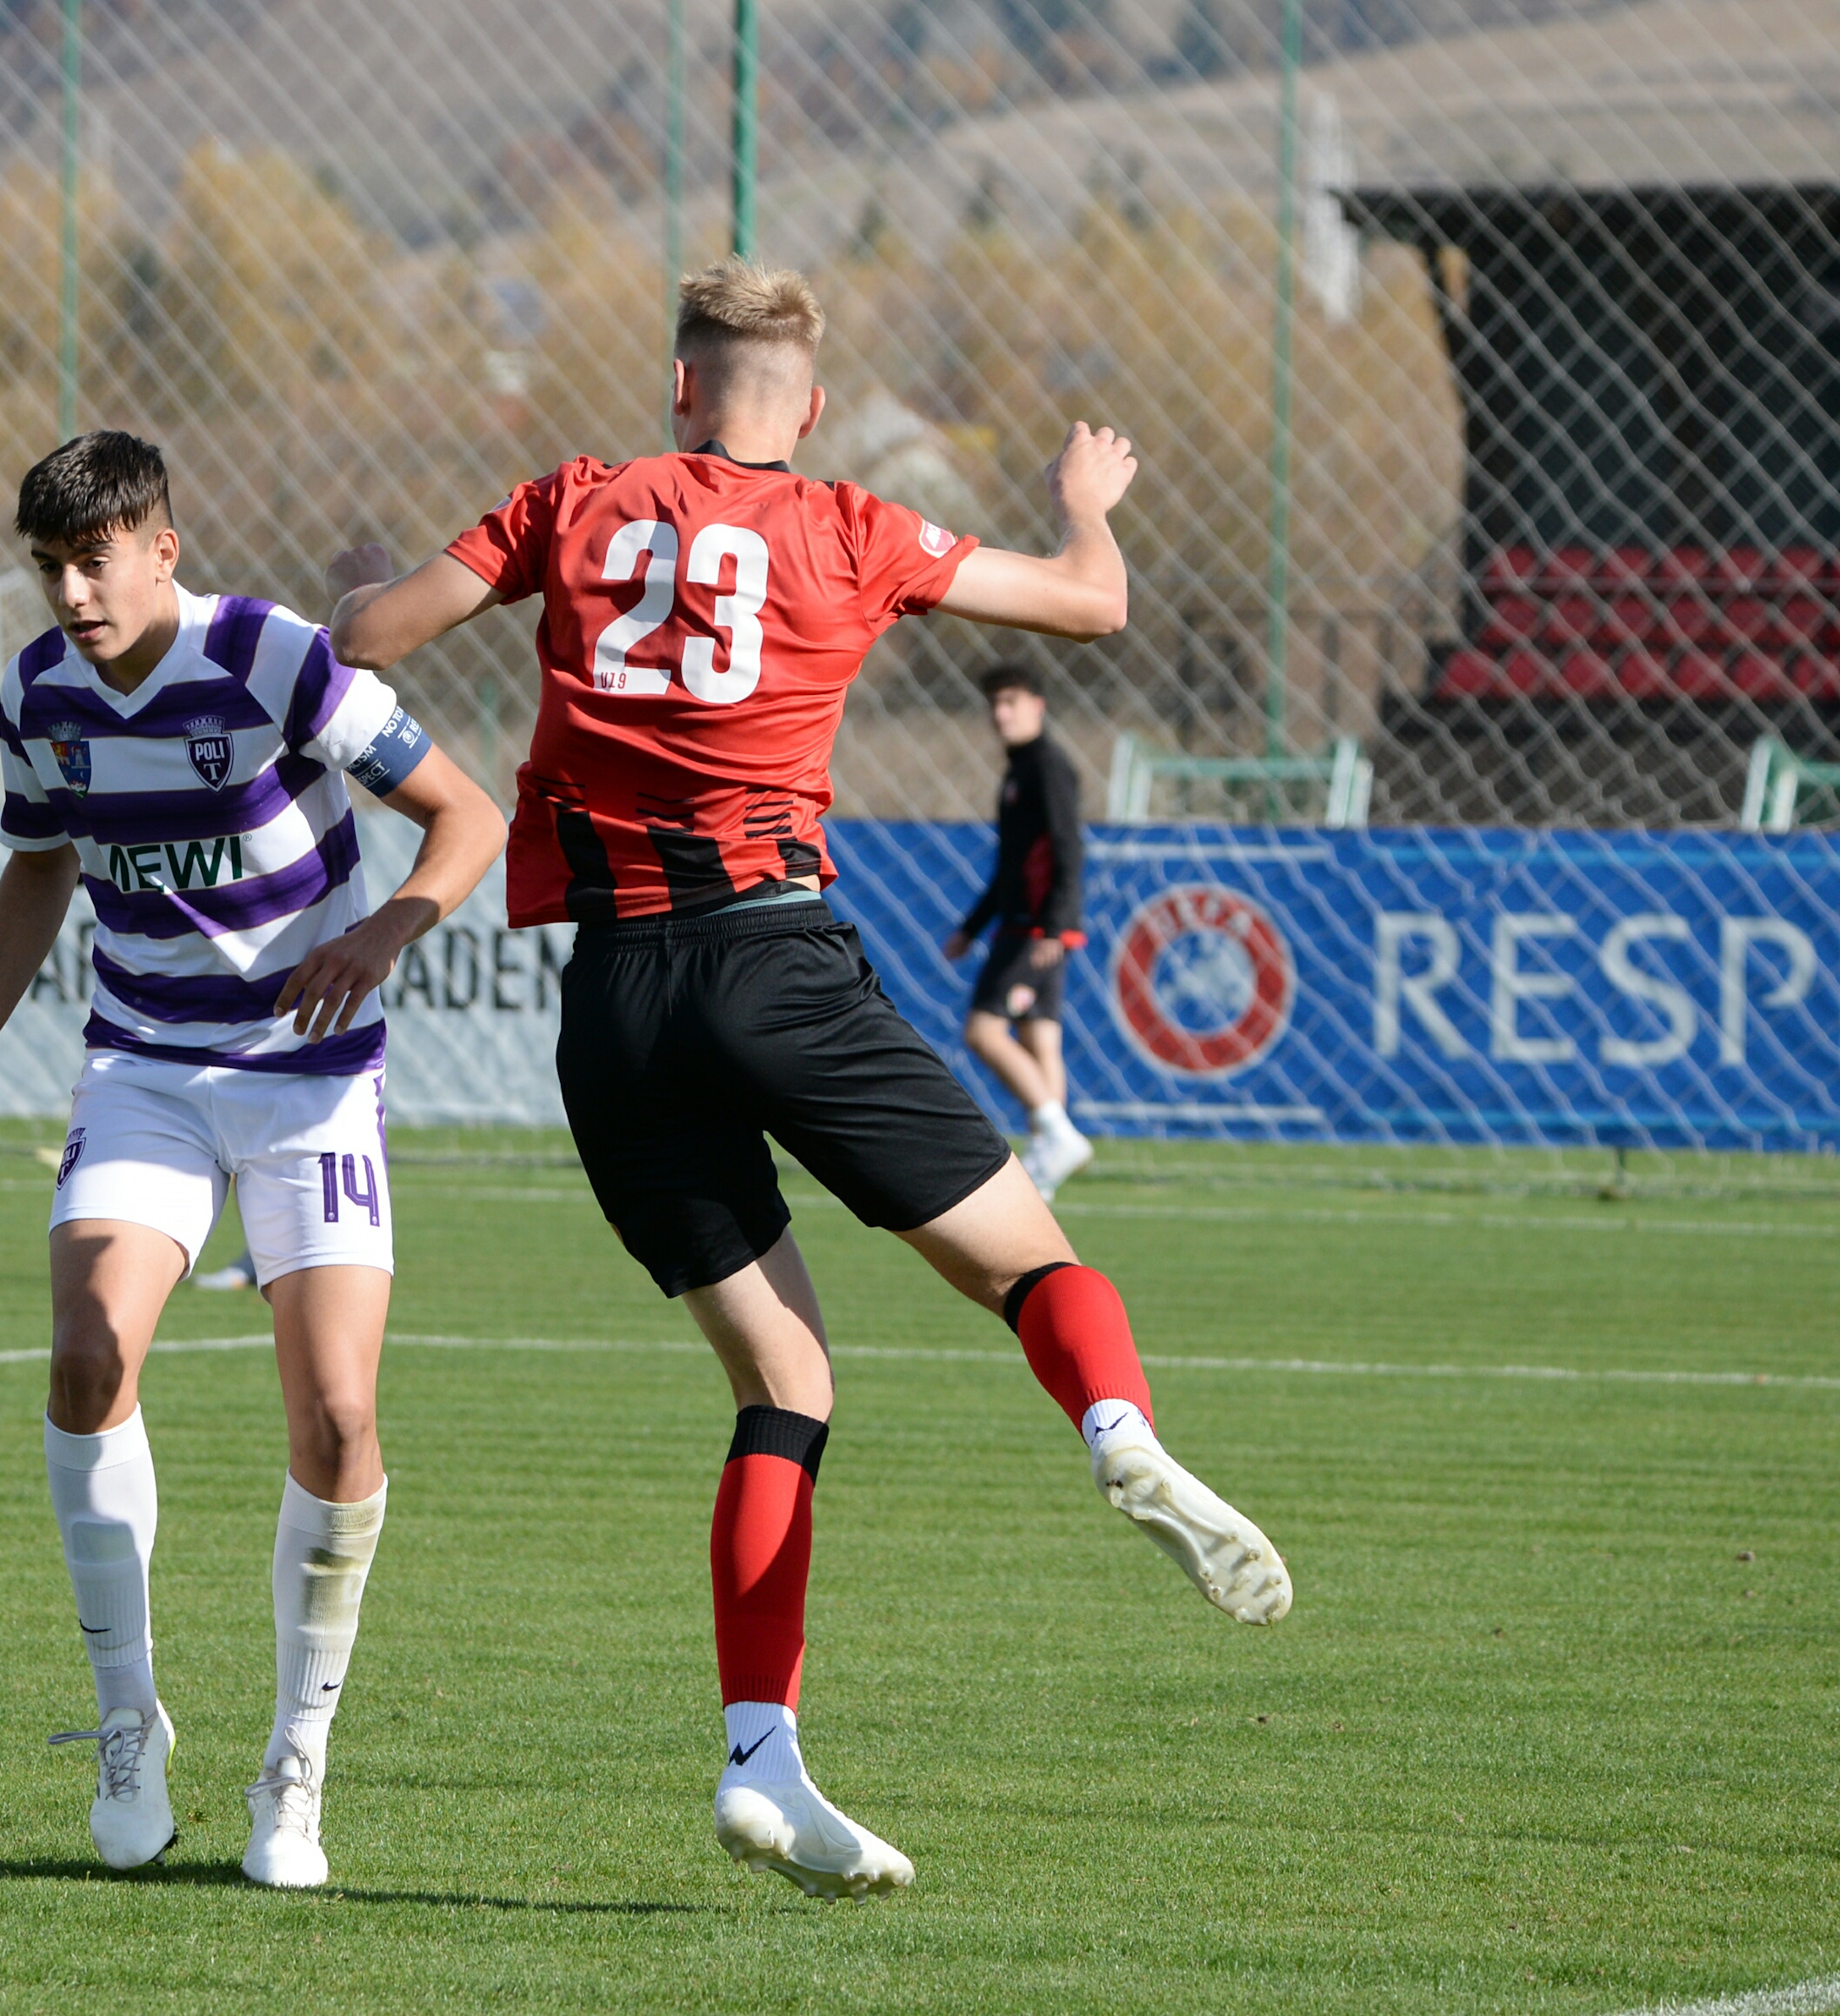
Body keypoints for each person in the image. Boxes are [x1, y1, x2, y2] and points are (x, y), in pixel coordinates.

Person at [328, 260, 1289, 1899]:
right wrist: (1086, 503)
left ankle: (760, 1756)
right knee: (1029, 1266)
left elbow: (363, 638)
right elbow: (1092, 603)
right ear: (815, 405)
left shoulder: (571, 500)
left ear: (679, 386)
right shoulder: (854, 527)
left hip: (615, 1003)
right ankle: (1117, 1425)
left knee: (782, 1385)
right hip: (773, 961)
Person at [0, 432, 505, 1891]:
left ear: (160, 549)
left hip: (311, 1077)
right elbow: (41, 861)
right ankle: (128, 1723)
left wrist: (384, 933)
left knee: (339, 1419)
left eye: (93, 561)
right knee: (85, 1357)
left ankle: (294, 1767)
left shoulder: (275, 660)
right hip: (144, 1070)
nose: (70, 593)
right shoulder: (39, 692)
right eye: (48, 568)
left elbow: (468, 813)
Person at [942, 663, 1091, 1197]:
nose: (1000, 714)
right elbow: (1010, 865)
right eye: (995, 704)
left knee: (983, 1032)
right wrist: (973, 927)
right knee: (1039, 1038)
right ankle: (1047, 1166)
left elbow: (1068, 847)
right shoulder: (1020, 769)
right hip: (1025, 923)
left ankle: (1057, 1134)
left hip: (1035, 928)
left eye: (1011, 702)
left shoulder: (1047, 766)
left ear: (1037, 706)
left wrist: (1053, 925)